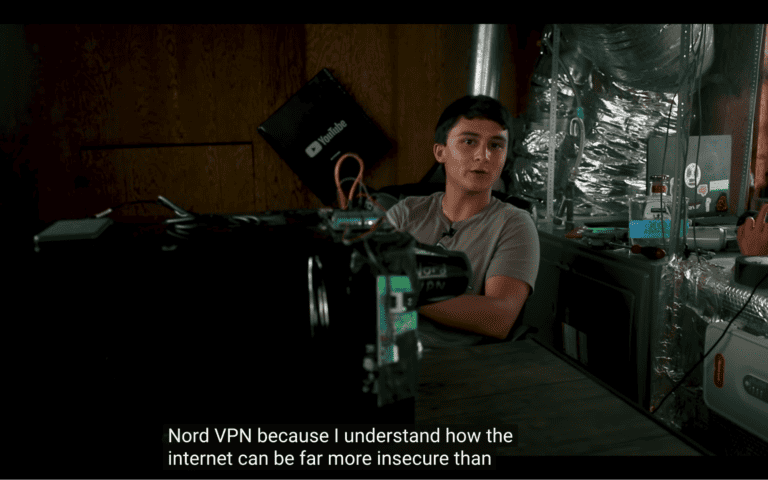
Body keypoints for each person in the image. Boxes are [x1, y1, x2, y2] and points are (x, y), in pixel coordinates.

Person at [385, 95, 540, 348]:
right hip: (395, 350)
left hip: (461, 361)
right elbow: (369, 286)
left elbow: (498, 319)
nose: (483, 156)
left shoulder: (514, 224)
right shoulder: (405, 212)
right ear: (441, 152)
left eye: (496, 145)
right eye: (469, 141)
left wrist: (402, 293)